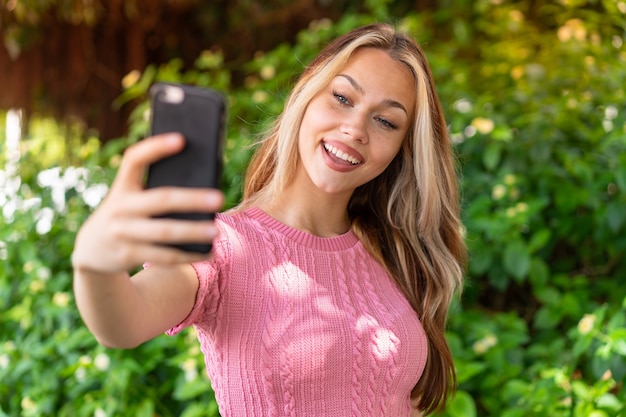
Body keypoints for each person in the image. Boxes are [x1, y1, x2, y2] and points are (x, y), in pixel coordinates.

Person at [72, 23, 467, 416]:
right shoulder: (223, 247)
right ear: (306, 96)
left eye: (386, 121)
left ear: (402, 148)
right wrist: (94, 262)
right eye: (343, 98)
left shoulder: (392, 250)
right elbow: (123, 322)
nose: (355, 129)